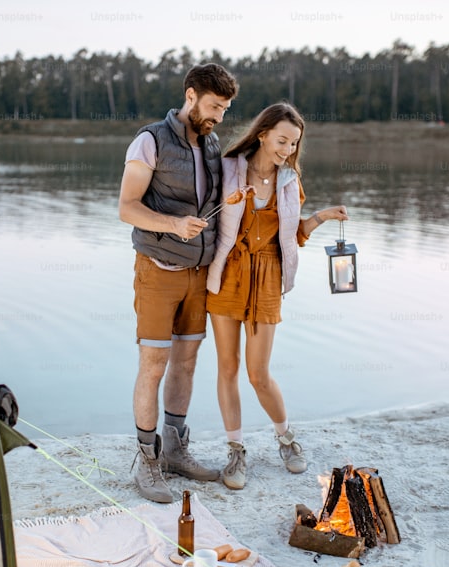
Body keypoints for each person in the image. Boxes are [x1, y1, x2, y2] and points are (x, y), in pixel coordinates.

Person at [205, 102, 349, 490]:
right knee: (228, 367)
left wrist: (322, 217)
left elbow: (294, 234)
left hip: (268, 277)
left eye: (293, 144)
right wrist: (230, 203)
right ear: (263, 133)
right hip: (229, 272)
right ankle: (235, 450)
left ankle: (285, 438)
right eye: (282, 140)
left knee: (258, 373)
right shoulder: (229, 167)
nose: (287, 149)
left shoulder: (289, 180)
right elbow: (207, 213)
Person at [118, 63, 239, 503]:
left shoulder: (212, 143)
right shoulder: (149, 140)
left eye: (225, 109)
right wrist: (172, 225)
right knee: (153, 365)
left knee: (186, 364)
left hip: (199, 274)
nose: (219, 117)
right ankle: (147, 462)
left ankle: (174, 453)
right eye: (213, 106)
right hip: (157, 271)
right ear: (191, 96)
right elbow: (127, 208)